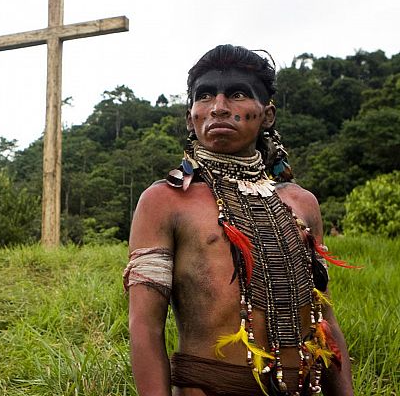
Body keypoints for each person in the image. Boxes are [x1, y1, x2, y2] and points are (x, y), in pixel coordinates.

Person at [124, 45, 354, 396]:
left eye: (237, 94)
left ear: (268, 115)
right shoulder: (165, 201)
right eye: (205, 97)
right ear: (190, 117)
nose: (218, 107)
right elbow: (144, 327)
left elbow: (325, 320)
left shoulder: (301, 202)